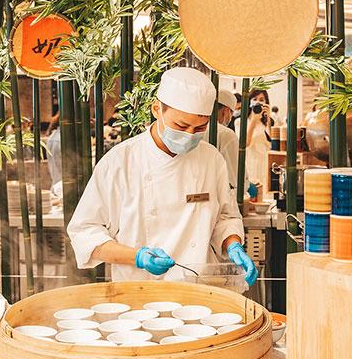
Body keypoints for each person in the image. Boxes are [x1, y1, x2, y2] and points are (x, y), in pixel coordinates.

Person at [67, 67, 259, 285]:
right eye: (181, 126)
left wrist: (233, 244)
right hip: (140, 290)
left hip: (200, 288)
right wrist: (137, 257)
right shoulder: (120, 161)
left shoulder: (211, 159)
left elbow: (224, 218)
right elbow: (84, 231)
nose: (189, 135)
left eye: (199, 128)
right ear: (157, 109)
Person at [206, 89, 254, 199]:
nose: (231, 116)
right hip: (218, 198)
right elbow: (235, 178)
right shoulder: (226, 134)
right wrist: (246, 185)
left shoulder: (196, 130)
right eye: (232, 112)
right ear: (226, 110)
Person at [244, 89, 272, 193]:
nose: (258, 102)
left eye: (261, 99)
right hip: (250, 162)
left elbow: (273, 143)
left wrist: (268, 118)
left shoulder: (268, 123)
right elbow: (245, 143)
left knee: (265, 192)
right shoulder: (241, 122)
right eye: (255, 99)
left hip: (265, 163)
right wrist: (253, 121)